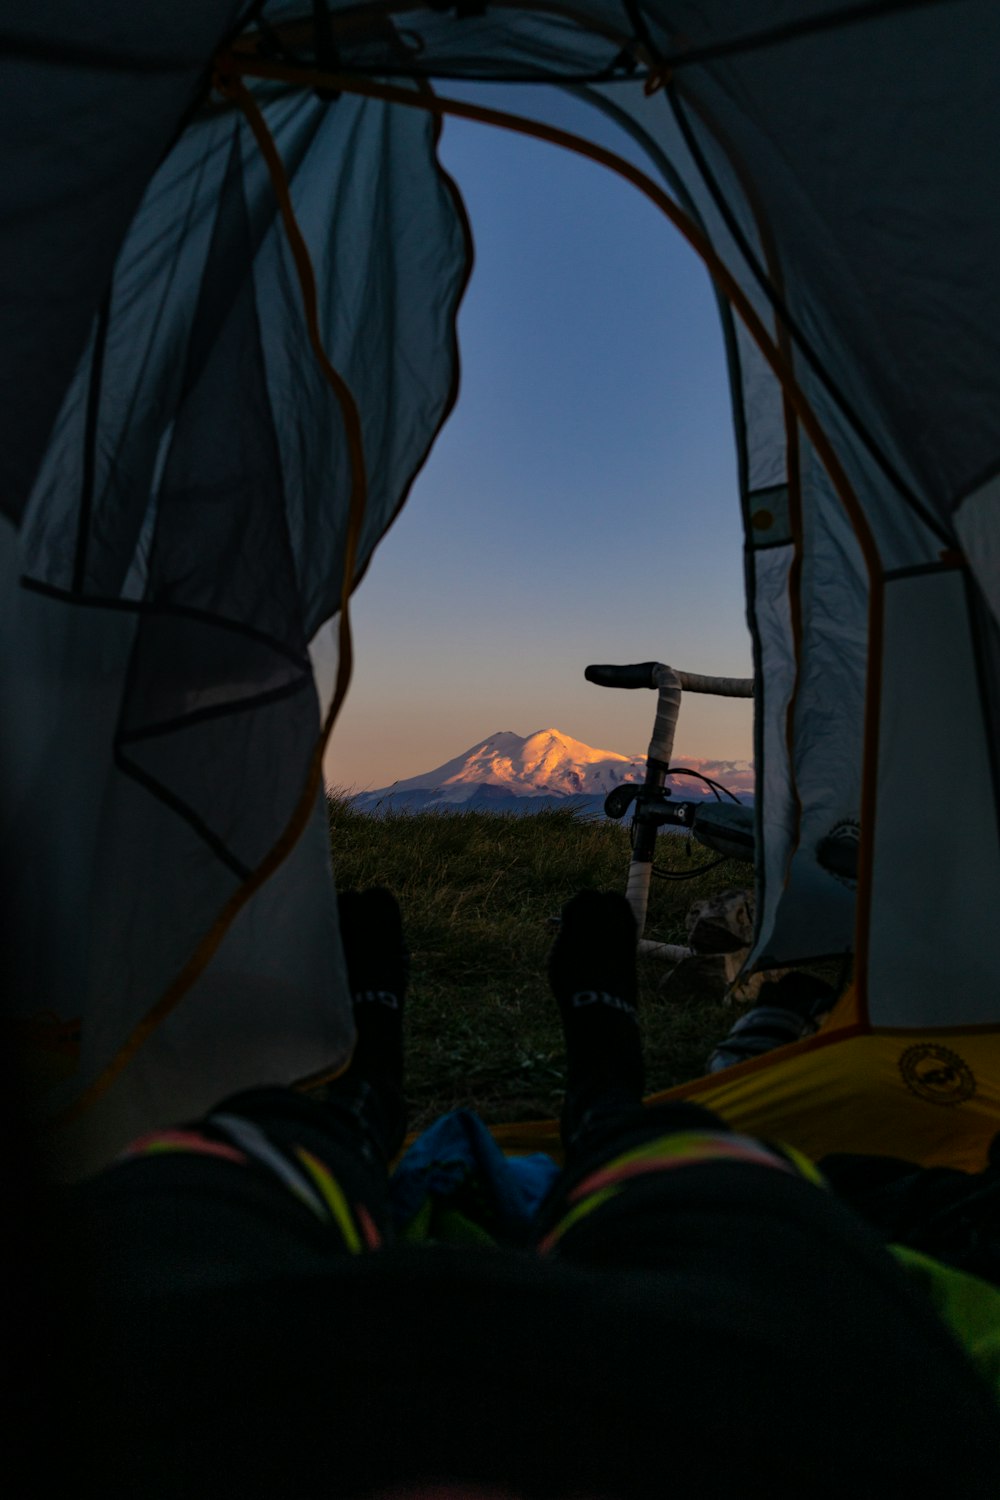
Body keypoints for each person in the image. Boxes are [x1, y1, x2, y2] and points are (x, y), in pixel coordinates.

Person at [60, 891, 1000, 1497]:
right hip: (750, 1420)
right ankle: (603, 1098)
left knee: (221, 1166)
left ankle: (362, 1095)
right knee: (707, 1174)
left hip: (185, 1392)